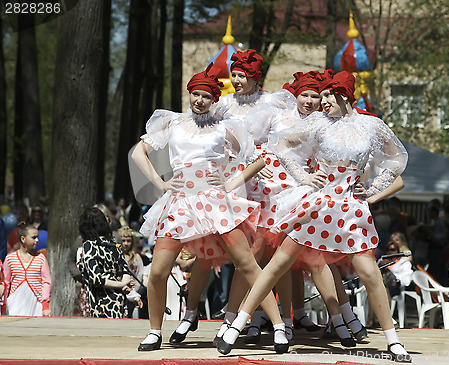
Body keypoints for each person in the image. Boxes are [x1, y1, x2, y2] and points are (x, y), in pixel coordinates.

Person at [217, 70, 411, 362]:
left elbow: (397, 160)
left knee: (371, 274)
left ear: (342, 96)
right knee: (277, 264)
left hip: (349, 208)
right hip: (318, 205)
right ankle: (237, 325)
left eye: (327, 96)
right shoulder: (318, 123)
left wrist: (371, 189)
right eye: (319, 96)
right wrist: (303, 176)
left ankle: (393, 340)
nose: (321, 101)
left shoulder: (372, 125)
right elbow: (282, 147)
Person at [131, 63, 287, 353]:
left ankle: (279, 327)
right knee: (158, 271)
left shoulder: (224, 126)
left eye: (205, 96)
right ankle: (154, 331)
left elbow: (261, 156)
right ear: (189, 94)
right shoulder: (173, 123)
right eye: (195, 94)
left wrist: (232, 180)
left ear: (214, 99)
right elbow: (139, 151)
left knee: (247, 264)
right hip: (180, 201)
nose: (199, 100)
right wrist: (160, 183)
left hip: (215, 202)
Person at [77, 207, 135, 318]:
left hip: (101, 304)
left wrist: (121, 285)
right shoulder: (113, 243)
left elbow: (97, 279)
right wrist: (123, 285)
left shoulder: (89, 245)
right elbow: (125, 270)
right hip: (119, 302)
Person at [3, 221, 52, 316]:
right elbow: (6, 283)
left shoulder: (40, 258)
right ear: (23, 239)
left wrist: (45, 306)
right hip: (15, 304)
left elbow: (46, 282)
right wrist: (4, 303)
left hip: (36, 304)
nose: (37, 240)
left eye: (37, 237)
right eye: (34, 238)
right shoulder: (10, 259)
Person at [118, 226, 145, 318]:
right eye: (123, 240)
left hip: (134, 294)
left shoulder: (136, 257)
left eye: (128, 241)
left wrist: (134, 292)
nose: (126, 244)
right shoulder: (115, 256)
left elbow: (140, 275)